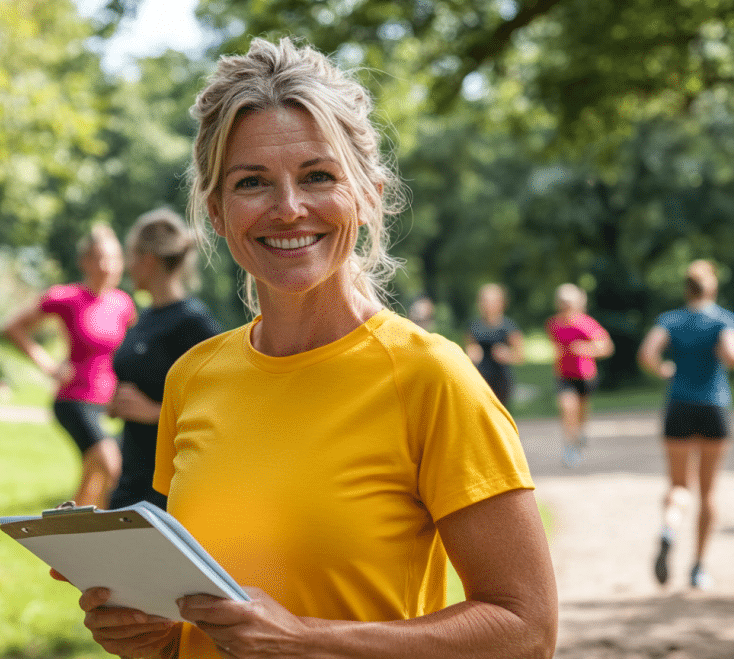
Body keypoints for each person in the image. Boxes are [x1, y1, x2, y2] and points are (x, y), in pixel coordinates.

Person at [59, 37, 557, 659]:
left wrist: (310, 641)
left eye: (319, 176)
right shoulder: (194, 377)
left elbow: (528, 630)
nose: (288, 208)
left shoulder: (430, 375)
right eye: (252, 183)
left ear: (369, 195)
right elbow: (210, 623)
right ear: (216, 211)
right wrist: (157, 634)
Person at [3, 223, 135, 509]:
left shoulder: (123, 304)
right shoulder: (67, 298)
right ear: (85, 262)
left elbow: (131, 353)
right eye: (100, 257)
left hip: (111, 402)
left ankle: (75, 532)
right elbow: (13, 328)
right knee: (111, 465)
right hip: (74, 399)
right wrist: (49, 366)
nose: (108, 266)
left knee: (93, 478)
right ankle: (108, 531)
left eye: (114, 258)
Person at [637, 259, 734, 591]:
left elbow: (647, 354)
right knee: (708, 491)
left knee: (678, 486)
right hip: (714, 406)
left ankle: (669, 529)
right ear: (711, 287)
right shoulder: (724, 320)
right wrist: (729, 355)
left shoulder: (670, 320)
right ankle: (698, 567)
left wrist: (663, 370)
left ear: (686, 288)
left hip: (679, 407)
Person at [106, 208, 222, 510]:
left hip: (169, 487)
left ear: (148, 259)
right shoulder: (145, 317)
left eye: (131, 257)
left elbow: (222, 408)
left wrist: (155, 413)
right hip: (130, 472)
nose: (128, 267)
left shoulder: (193, 322)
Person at [546, 283, 614, 468]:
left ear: (577, 302)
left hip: (585, 375)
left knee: (581, 412)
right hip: (564, 376)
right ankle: (570, 446)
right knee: (568, 409)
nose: (565, 305)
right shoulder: (553, 324)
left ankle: (581, 432)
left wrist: (586, 349)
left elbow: (607, 347)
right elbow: (557, 348)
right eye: (562, 301)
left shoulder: (586, 324)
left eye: (569, 301)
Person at [464, 283, 525, 407]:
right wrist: (471, 355)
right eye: (484, 300)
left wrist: (507, 355)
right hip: (480, 380)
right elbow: (469, 351)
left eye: (492, 301)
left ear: (502, 303)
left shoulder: (509, 327)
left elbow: (520, 356)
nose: (488, 304)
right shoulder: (473, 326)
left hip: (501, 381)